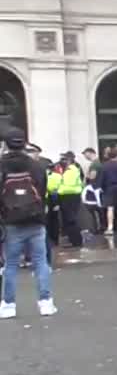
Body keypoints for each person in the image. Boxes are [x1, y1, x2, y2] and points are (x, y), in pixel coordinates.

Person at [1, 129, 56, 318]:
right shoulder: (36, 166)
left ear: (5, 145)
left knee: (11, 264)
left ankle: (8, 305)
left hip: (11, 221)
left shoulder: (1, 165)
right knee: (40, 261)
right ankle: (45, 302)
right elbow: (42, 191)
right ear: (24, 144)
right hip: (35, 219)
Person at [54, 152, 85, 249]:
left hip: (69, 196)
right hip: (69, 196)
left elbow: (67, 185)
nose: (61, 161)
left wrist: (57, 186)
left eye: (64, 159)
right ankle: (73, 240)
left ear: (69, 160)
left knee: (71, 219)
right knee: (68, 219)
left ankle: (76, 241)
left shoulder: (71, 170)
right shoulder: (70, 169)